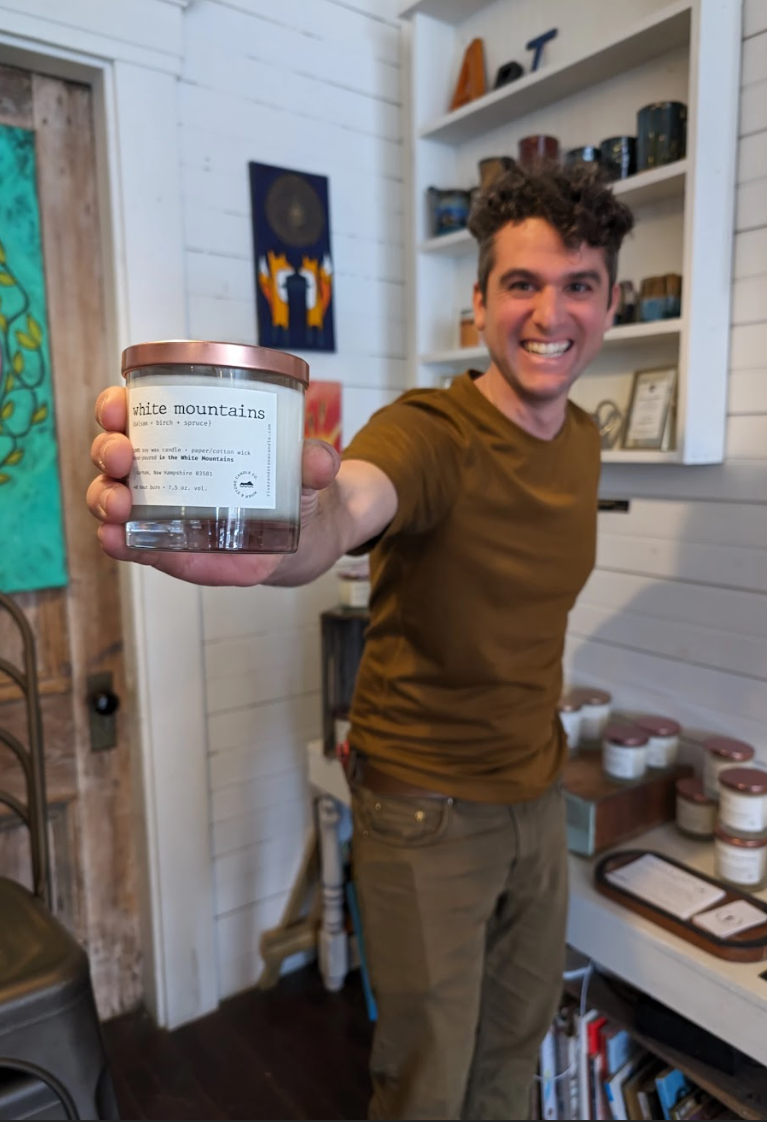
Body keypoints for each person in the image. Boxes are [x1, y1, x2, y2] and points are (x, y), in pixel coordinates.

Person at [87, 161, 634, 1121]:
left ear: (611, 301)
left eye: (578, 284)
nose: (552, 311)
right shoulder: (432, 429)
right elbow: (351, 501)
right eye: (522, 283)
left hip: (536, 798)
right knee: (424, 1084)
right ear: (477, 304)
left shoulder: (584, 438)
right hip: (425, 809)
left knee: (510, 1061)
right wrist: (288, 535)